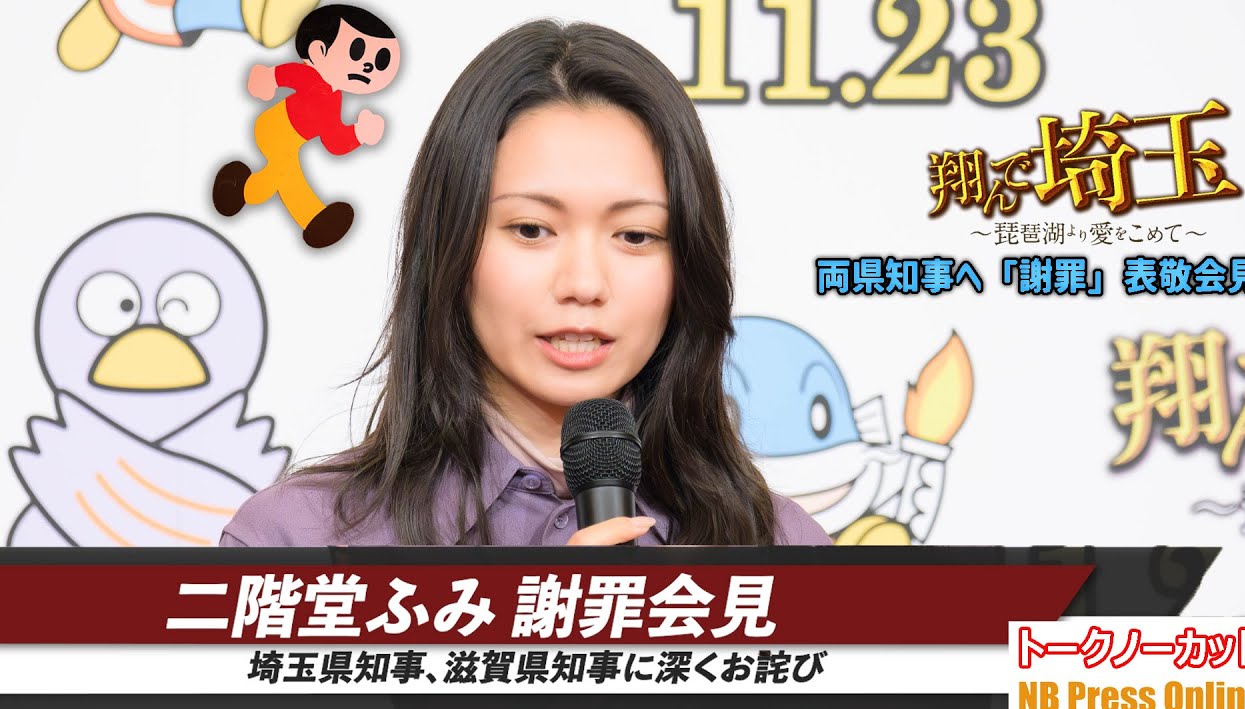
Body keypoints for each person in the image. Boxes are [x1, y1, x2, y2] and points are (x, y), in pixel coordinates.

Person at [219, 19, 831, 547]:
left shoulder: (785, 548)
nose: (584, 284)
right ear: (450, 244)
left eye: (636, 235)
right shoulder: (296, 540)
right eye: (532, 229)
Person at [212, 4, 400, 248]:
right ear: (319, 50)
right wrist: (269, 78)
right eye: (356, 51)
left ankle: (244, 192)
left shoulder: (334, 100)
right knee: (284, 171)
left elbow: (334, 141)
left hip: (291, 141)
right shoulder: (312, 79)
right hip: (272, 128)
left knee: (285, 174)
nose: (367, 66)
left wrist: (358, 134)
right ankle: (307, 216)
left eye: (381, 60)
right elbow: (290, 74)